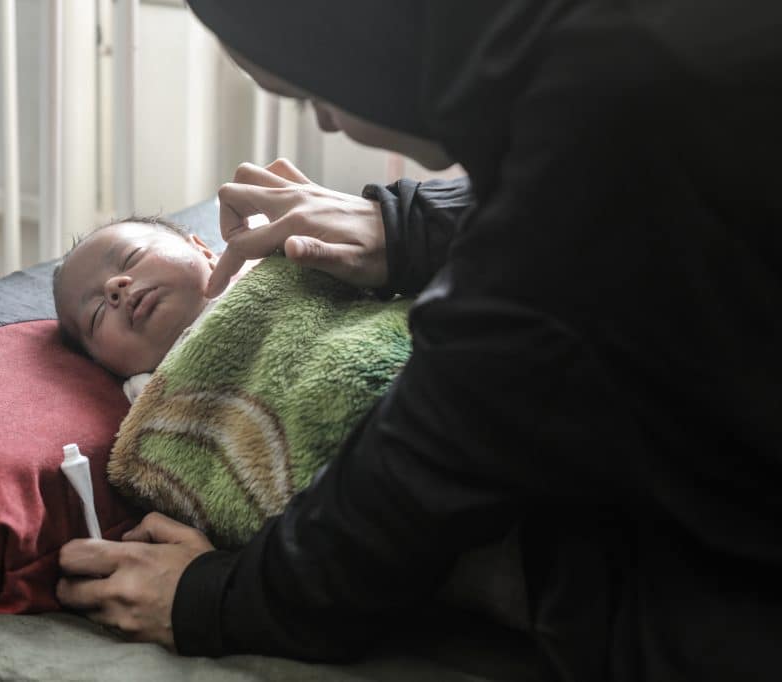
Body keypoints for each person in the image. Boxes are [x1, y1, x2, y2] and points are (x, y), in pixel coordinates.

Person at [56, 2, 782, 680]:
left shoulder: (614, 108)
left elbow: (433, 453)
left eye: (319, 96)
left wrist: (215, 599)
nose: (336, 129)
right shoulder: (620, 52)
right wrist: (408, 226)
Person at [51, 216, 220, 382]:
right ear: (102, 365)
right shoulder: (152, 399)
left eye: (132, 256)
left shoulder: (245, 265)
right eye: (97, 313)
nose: (113, 286)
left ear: (203, 251)